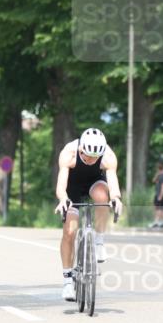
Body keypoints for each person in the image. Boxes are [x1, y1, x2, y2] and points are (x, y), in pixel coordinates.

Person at [54, 128, 123, 302]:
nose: (91, 160)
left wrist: (115, 197)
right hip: (73, 186)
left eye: (95, 157)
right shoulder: (68, 153)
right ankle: (67, 281)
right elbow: (61, 184)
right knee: (70, 231)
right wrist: (63, 199)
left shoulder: (108, 155)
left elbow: (112, 180)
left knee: (102, 197)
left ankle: (99, 241)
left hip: (95, 182)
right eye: (87, 156)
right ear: (81, 149)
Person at [150, 162, 163, 228]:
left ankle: (158, 222)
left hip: (161, 195)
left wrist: (160, 196)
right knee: (159, 208)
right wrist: (157, 174)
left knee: (160, 208)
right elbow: (153, 180)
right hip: (159, 195)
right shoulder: (160, 175)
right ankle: (161, 222)